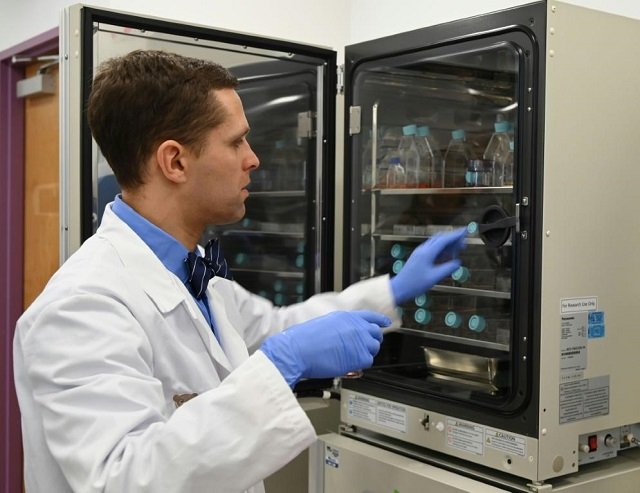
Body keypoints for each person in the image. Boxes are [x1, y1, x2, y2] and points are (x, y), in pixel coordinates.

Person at [13, 50, 466, 493]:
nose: (253, 159)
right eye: (235, 142)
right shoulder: (81, 307)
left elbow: (279, 328)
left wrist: (396, 288)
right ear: (175, 162)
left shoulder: (198, 278)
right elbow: (125, 479)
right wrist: (284, 362)